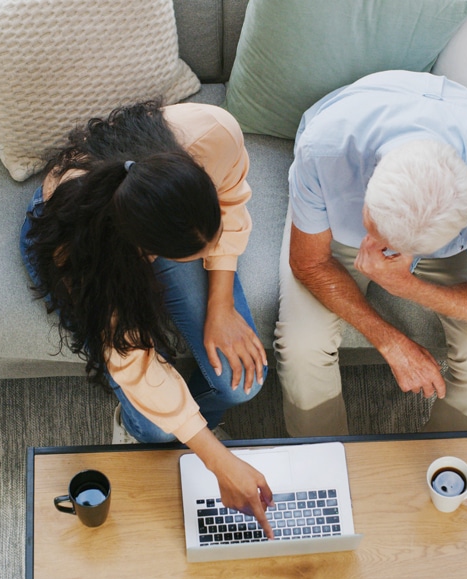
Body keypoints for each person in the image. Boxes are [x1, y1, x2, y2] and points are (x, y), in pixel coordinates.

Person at [20, 101, 278, 525]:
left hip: (150, 217)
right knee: (155, 430)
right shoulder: (89, 246)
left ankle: (191, 427)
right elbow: (131, 359)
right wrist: (218, 460)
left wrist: (221, 303)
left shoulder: (212, 134)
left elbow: (231, 198)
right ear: (150, 252)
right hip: (78, 229)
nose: (203, 258)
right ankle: (167, 429)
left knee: (240, 382)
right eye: (188, 257)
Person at [276, 70, 467, 437]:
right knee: (301, 346)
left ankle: (441, 469)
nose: (384, 250)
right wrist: (390, 340)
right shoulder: (325, 148)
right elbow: (308, 262)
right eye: (375, 232)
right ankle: (327, 463)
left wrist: (404, 285)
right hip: (345, 203)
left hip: (445, 222)